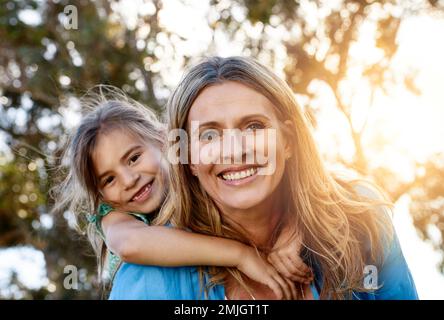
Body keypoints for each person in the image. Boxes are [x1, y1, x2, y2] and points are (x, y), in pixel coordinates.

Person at [109, 57, 418, 300]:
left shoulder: (359, 217)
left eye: (253, 127)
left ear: (288, 140)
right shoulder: (148, 280)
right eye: (210, 135)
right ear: (188, 158)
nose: (235, 151)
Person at [51, 85, 311, 300]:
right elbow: (131, 244)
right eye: (108, 180)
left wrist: (293, 231)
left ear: (164, 140)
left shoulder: (202, 177)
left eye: (133, 158)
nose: (129, 180)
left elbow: (298, 191)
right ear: (101, 196)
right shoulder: (115, 217)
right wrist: (241, 255)